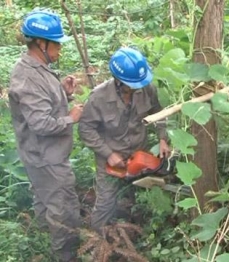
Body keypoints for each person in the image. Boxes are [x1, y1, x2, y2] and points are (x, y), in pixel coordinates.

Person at [8, 8, 83, 262]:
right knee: (65, 210)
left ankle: (42, 243)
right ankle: (65, 255)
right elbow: (40, 123)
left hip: (42, 154)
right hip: (45, 157)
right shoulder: (28, 75)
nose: (59, 50)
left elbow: (41, 105)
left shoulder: (38, 68)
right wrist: (70, 118)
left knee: (45, 200)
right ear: (41, 43)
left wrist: (64, 93)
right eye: (57, 44)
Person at [78, 47, 170, 235]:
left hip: (140, 155)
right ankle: (97, 243)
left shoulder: (147, 89)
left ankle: (133, 236)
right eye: (132, 84)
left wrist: (163, 138)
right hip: (111, 158)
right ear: (119, 81)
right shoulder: (99, 97)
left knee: (136, 198)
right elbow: (86, 129)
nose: (137, 87)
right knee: (106, 202)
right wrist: (108, 154)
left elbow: (160, 114)